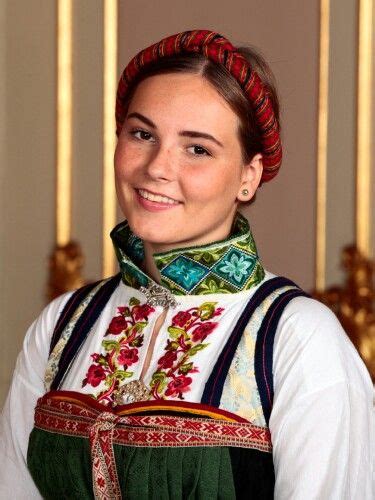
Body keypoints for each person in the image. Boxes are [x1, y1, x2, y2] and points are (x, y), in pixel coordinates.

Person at [0, 29, 373, 499]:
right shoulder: (62, 324)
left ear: (248, 175)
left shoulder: (298, 339)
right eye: (142, 134)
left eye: (197, 148)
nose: (157, 167)